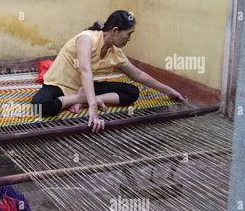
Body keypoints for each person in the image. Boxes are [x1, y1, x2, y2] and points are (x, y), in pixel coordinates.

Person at [31, 10, 185, 132]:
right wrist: (93, 106)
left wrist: (168, 90)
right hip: (60, 85)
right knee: (40, 106)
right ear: (115, 31)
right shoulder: (87, 39)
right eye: (128, 34)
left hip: (86, 88)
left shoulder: (115, 52)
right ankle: (81, 99)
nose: (129, 39)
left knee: (131, 91)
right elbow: (85, 70)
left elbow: (137, 74)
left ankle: (82, 100)